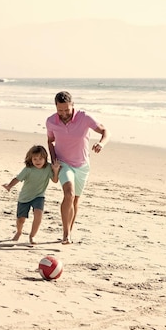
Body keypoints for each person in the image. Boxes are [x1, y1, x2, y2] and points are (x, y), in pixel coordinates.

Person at [47, 91, 110, 245]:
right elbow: (50, 141)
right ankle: (66, 234)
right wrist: (54, 159)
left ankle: (70, 231)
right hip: (63, 163)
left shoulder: (84, 117)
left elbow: (104, 131)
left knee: (75, 201)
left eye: (66, 110)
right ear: (55, 107)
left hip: (82, 165)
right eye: (60, 110)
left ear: (73, 105)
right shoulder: (51, 121)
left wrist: (101, 143)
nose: (63, 114)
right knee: (69, 193)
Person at [2, 145, 60, 244]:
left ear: (45, 158)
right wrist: (9, 186)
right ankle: (19, 232)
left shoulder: (48, 168)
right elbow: (18, 178)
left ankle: (32, 236)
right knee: (21, 219)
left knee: (38, 215)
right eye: (35, 159)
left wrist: (55, 170)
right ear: (30, 159)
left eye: (40, 158)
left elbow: (55, 180)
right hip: (25, 197)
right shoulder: (28, 169)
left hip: (39, 196)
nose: (38, 161)